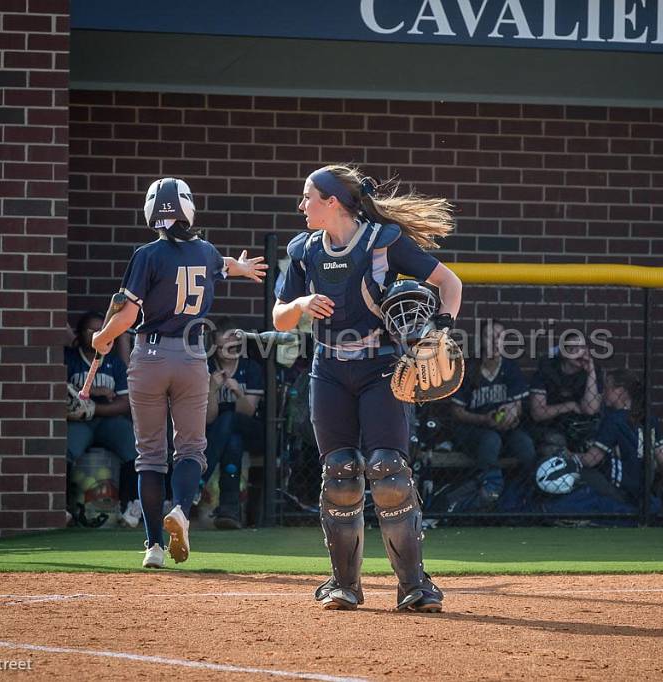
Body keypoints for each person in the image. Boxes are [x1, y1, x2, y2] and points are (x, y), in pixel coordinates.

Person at [273, 164, 462, 612]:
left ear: (332, 202)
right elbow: (280, 317)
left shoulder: (381, 241)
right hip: (329, 369)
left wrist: (441, 330)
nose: (302, 207)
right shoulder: (303, 250)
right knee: (339, 472)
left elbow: (449, 283)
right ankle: (344, 585)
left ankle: (415, 586)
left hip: (380, 367)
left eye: (308, 198)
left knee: (388, 472)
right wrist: (299, 303)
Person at [91, 177, 266, 569]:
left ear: (152, 213)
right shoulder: (206, 250)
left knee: (149, 456)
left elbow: (130, 314)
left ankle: (153, 547)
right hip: (191, 356)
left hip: (149, 356)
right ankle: (182, 511)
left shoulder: (146, 254)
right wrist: (240, 267)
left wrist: (103, 336)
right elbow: (221, 266)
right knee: (190, 449)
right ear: (188, 209)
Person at [451, 319, 535, 504]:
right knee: (491, 439)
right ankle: (487, 492)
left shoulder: (510, 367)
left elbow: (518, 406)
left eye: (500, 337)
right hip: (473, 430)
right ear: (481, 341)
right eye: (490, 336)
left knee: (525, 443)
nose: (495, 341)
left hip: (504, 429)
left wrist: (512, 413)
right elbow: (457, 411)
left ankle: (523, 496)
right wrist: (483, 419)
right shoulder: (468, 368)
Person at [65, 312, 138, 524]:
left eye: (101, 329)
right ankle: (64, 506)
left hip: (107, 420)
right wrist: (92, 393)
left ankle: (130, 507)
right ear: (79, 334)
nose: (97, 334)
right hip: (78, 422)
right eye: (91, 330)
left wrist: (92, 407)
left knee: (132, 446)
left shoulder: (114, 363)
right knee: (66, 450)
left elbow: (125, 404)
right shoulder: (68, 358)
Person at [571, 368, 663, 510]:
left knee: (580, 473)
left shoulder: (614, 420)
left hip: (619, 492)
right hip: (642, 493)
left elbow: (591, 460)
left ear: (620, 390)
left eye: (607, 388)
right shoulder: (649, 418)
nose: (603, 392)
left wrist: (569, 456)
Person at [203, 317, 265, 529]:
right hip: (217, 432)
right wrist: (212, 389)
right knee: (232, 442)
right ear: (216, 348)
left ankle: (200, 477)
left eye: (235, 346)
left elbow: (248, 412)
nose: (231, 351)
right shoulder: (207, 368)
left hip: (250, 428)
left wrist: (237, 391)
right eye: (224, 347)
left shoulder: (251, 367)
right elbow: (208, 418)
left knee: (231, 420)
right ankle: (230, 510)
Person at [528, 335, 602, 455]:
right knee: (555, 442)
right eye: (572, 348)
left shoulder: (592, 372)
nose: (579, 352)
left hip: (580, 427)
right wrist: (570, 405)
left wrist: (591, 372)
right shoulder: (546, 370)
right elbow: (537, 413)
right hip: (550, 426)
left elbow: (590, 410)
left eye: (582, 347)